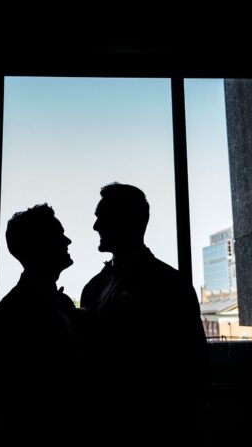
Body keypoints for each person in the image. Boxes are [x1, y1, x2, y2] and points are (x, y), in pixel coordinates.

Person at [80, 183, 208, 439]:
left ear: (126, 221)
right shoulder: (170, 282)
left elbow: (193, 366)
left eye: (102, 218)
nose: (95, 227)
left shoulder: (170, 285)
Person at [0, 204, 80, 439]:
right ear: (41, 246)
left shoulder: (15, 309)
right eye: (59, 235)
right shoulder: (13, 313)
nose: (67, 241)